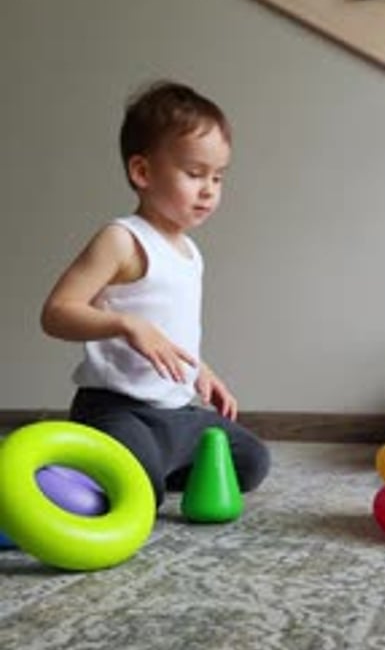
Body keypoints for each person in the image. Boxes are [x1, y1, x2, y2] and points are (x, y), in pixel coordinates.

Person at [41, 81, 270, 507]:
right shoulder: (122, 239)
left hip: (175, 412)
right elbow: (56, 312)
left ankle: (145, 468)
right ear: (142, 172)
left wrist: (201, 370)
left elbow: (169, 330)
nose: (209, 189)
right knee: (139, 485)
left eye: (218, 177)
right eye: (195, 174)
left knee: (251, 461)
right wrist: (125, 324)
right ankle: (89, 465)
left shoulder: (189, 251)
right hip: (117, 407)